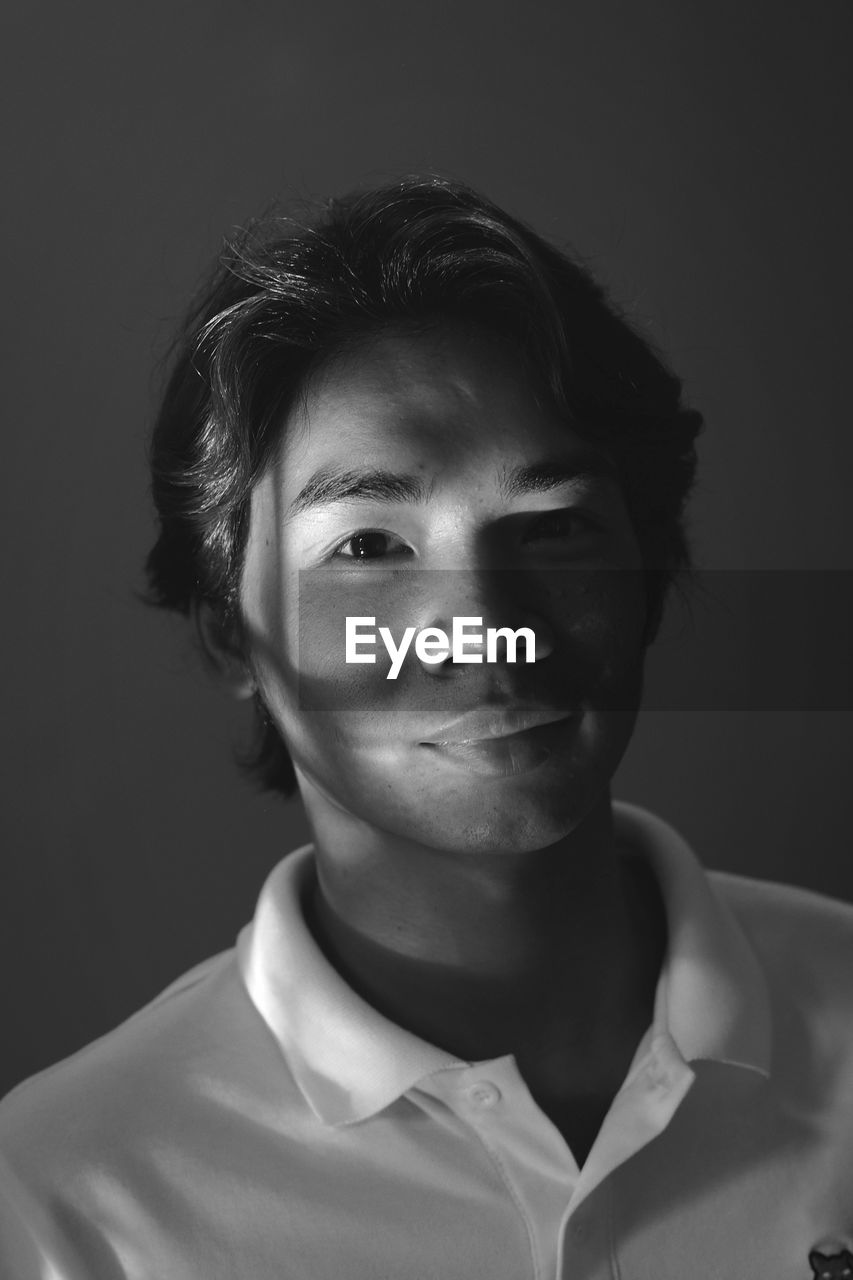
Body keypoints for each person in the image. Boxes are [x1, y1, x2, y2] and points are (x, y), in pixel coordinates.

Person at [1, 176, 851, 1279]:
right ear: (229, 631)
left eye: (551, 527)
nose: (482, 626)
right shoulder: (58, 1204)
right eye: (368, 547)